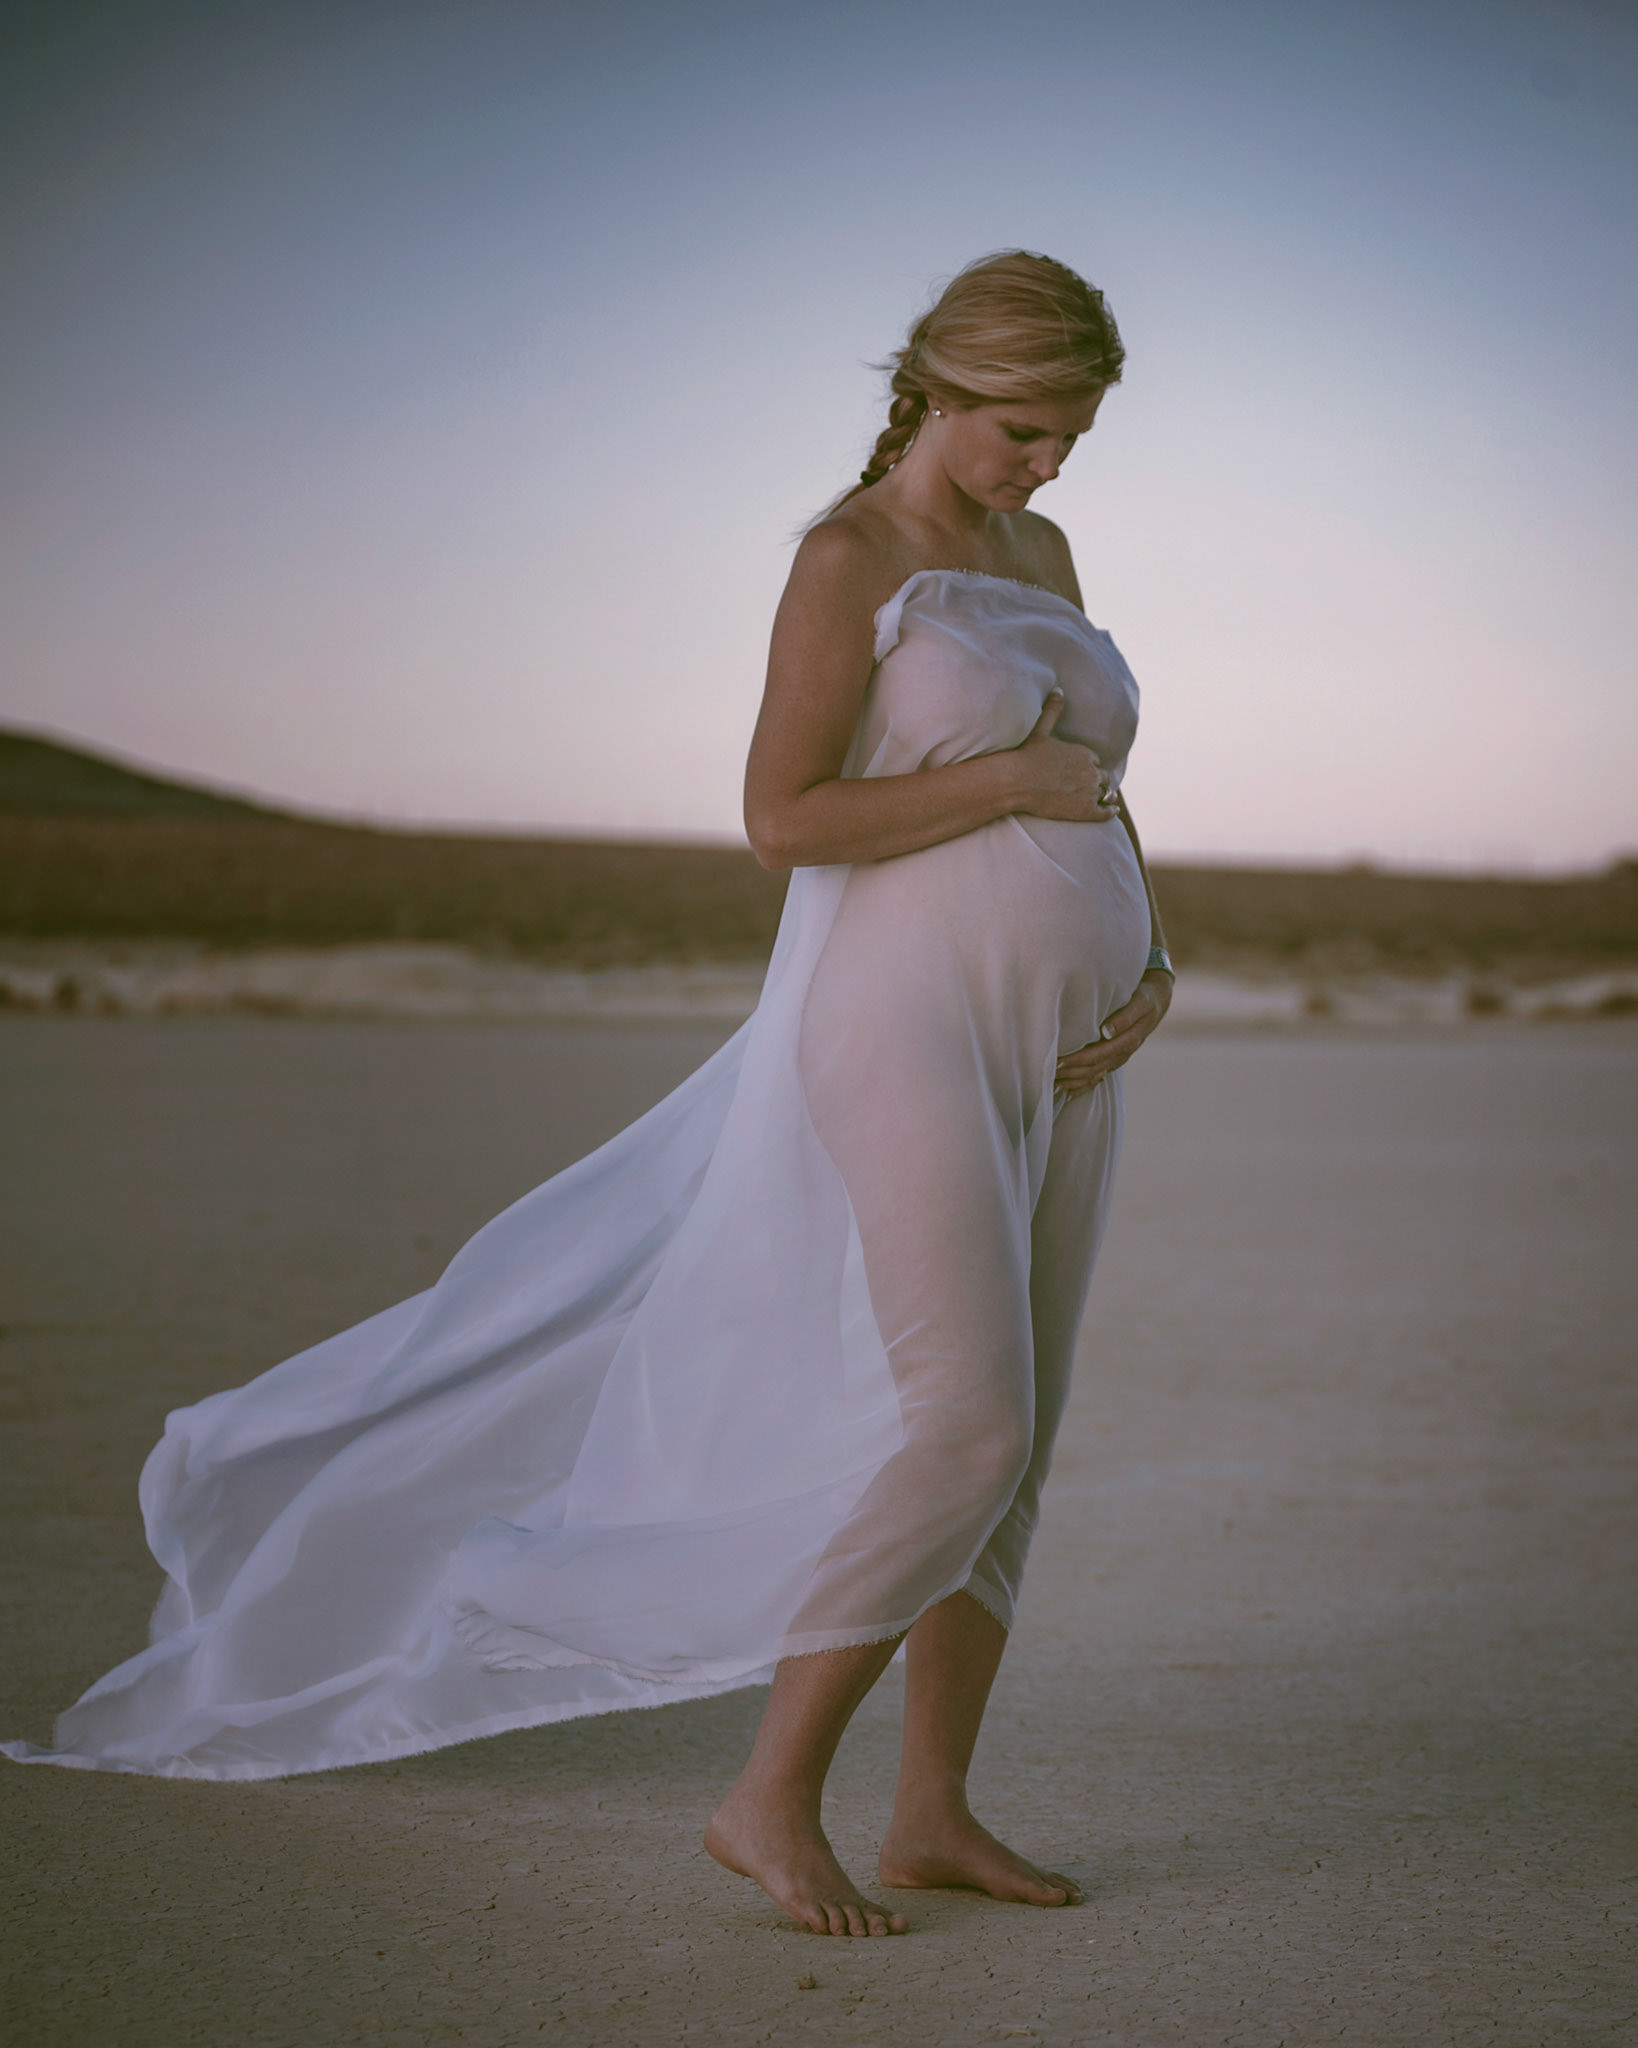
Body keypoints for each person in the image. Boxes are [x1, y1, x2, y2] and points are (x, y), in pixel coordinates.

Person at [3, 250, 1173, 1943]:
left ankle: (931, 1811)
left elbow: (1103, 780)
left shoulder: (1042, 553)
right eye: (1021, 428)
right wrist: (1005, 782)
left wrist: (1154, 958)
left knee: (1020, 1446)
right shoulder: (849, 560)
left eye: (1069, 437)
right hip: (902, 1021)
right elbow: (783, 819)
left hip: (1072, 1044)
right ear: (934, 386)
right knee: (960, 1423)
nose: (1047, 465)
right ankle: (763, 1798)